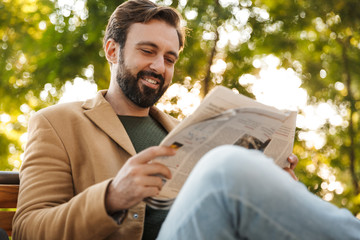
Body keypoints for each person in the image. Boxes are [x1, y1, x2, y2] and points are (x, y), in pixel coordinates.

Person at [12, 0, 360, 239]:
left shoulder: (186, 130)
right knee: (227, 165)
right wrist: (113, 196)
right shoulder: (57, 123)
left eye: (170, 58)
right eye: (147, 51)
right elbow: (28, 229)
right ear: (113, 50)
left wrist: (275, 181)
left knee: (237, 167)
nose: (159, 67)